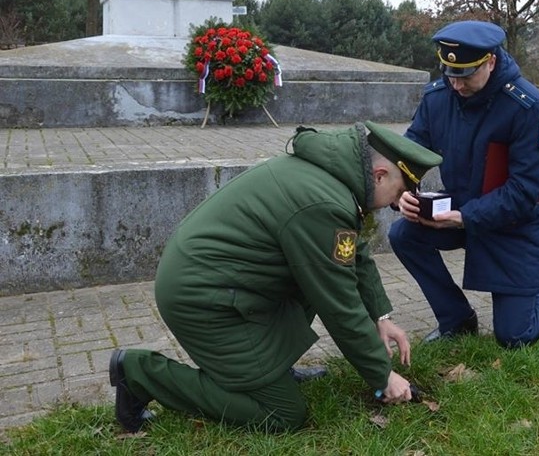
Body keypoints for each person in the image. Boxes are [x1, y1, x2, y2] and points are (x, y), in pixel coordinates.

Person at [108, 121, 442, 433]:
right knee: (282, 414)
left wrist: (380, 315)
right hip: (203, 298)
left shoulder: (333, 176)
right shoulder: (323, 201)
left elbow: (354, 251)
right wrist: (383, 376)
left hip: (230, 281)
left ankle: (271, 368)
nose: (395, 205)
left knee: (313, 280)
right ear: (380, 175)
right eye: (398, 194)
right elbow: (339, 305)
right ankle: (139, 373)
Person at [388, 20, 539, 349]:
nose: (456, 85)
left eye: (465, 75)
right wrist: (403, 192)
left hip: (514, 224)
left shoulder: (529, 108)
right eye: (450, 74)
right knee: (403, 234)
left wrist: (466, 216)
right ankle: (457, 319)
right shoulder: (439, 98)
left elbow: (525, 191)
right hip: (465, 208)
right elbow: (410, 152)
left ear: (491, 62)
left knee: (515, 336)